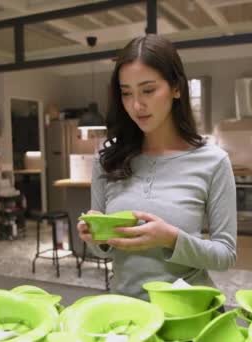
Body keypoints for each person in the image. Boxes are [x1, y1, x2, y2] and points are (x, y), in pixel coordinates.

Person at [76, 34, 237, 300]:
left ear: (176, 88)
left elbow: (226, 255)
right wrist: (96, 237)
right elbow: (104, 251)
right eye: (126, 93)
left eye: (148, 90)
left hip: (186, 312)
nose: (136, 105)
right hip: (127, 312)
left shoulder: (213, 161)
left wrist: (171, 239)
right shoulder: (108, 158)